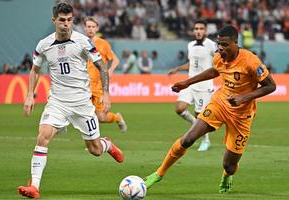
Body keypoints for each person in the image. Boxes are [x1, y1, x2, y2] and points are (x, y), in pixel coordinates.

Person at [145, 25, 276, 194]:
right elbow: (214, 71)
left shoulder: (251, 61)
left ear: (236, 43)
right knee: (188, 139)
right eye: (219, 43)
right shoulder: (219, 56)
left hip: (242, 115)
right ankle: (159, 173)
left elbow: (271, 86)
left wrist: (243, 98)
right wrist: (187, 82)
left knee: (229, 165)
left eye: (225, 44)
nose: (221, 48)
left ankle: (227, 175)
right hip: (220, 104)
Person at [17, 3, 123, 199]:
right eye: (62, 20)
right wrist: (30, 94)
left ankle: (106, 144)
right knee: (43, 136)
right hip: (58, 102)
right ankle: (35, 186)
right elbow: (35, 70)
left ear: (72, 20)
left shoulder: (83, 42)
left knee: (95, 150)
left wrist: (106, 93)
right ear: (54, 21)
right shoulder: (43, 45)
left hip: (82, 104)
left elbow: (101, 67)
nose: (66, 24)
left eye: (69, 20)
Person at [168, 20, 217, 152]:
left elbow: (220, 60)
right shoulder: (190, 45)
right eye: (196, 28)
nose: (198, 31)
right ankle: (196, 126)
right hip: (190, 82)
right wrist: (178, 68)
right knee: (179, 108)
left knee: (199, 115)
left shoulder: (211, 45)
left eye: (201, 28)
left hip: (204, 85)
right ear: (193, 31)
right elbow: (192, 63)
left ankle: (205, 140)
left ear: (205, 31)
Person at [84, 16, 127, 133]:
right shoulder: (80, 43)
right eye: (88, 27)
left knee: (101, 117)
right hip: (84, 84)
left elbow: (116, 60)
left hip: (98, 85)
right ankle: (92, 141)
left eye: (93, 27)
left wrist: (111, 70)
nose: (90, 29)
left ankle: (116, 117)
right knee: (84, 114)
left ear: (97, 28)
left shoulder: (103, 44)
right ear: (85, 28)